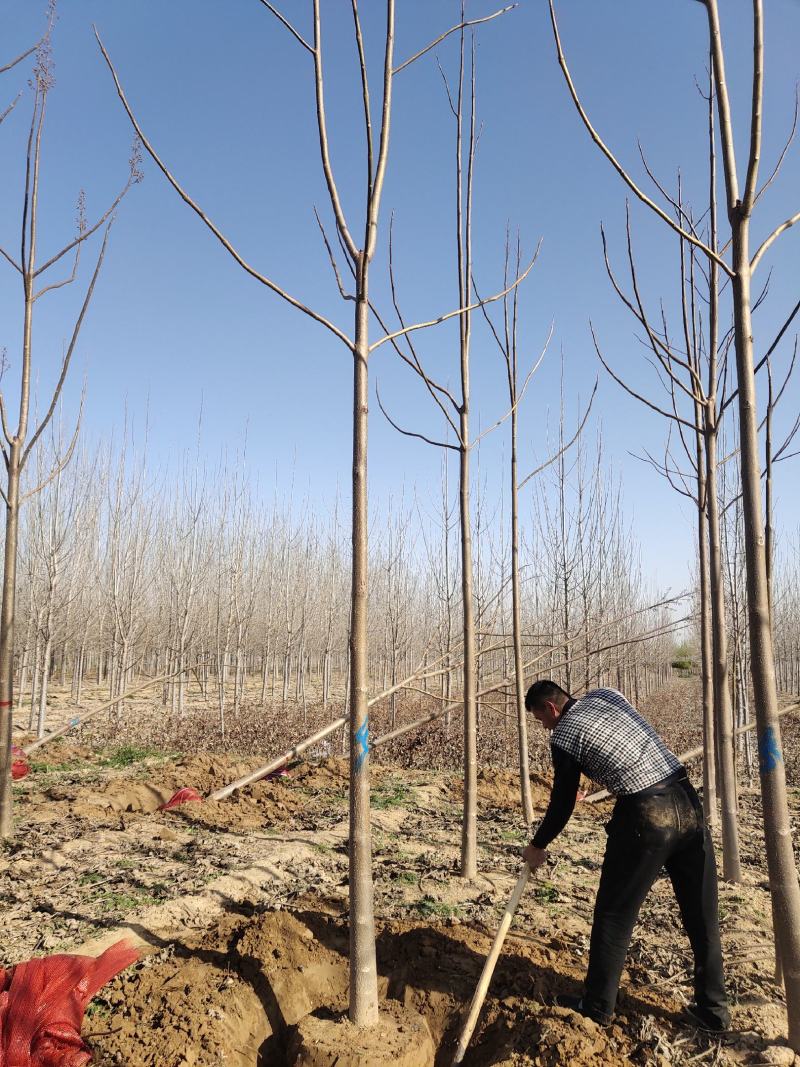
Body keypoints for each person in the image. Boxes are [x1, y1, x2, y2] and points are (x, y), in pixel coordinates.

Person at [521, 680, 729, 1033]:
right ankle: (714, 1012)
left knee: (613, 914)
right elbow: (621, 740)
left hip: (646, 816)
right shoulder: (606, 694)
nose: (543, 726)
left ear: (551, 709)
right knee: (701, 914)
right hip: (687, 802)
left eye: (541, 718)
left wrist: (538, 844)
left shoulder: (563, 735)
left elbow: (560, 805)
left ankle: (597, 1008)